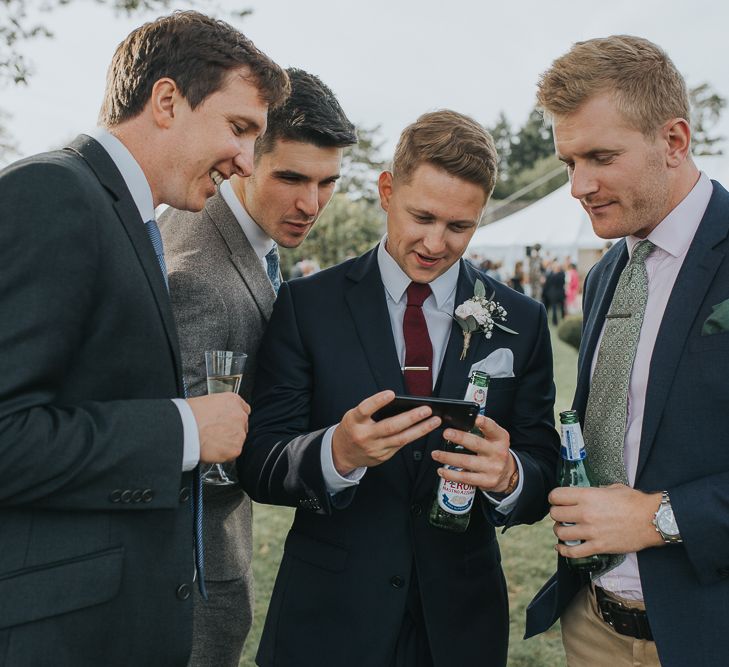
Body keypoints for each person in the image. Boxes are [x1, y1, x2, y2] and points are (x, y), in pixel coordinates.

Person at [0, 11, 288, 666]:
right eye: (239, 128)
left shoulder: (128, 216)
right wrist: (184, 431)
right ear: (166, 100)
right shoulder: (54, 192)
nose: (247, 160)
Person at [239, 110, 560, 667]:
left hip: (460, 625)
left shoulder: (523, 320)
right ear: (387, 191)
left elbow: (542, 461)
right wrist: (336, 453)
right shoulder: (305, 307)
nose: (436, 243)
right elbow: (259, 460)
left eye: (460, 226)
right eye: (422, 216)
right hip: (329, 619)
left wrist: (510, 475)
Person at [525, 35, 729, 667]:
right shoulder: (613, 268)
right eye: (568, 162)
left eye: (600, 157)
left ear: (673, 142)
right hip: (593, 626)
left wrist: (663, 519)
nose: (578, 185)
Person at [159, 67, 356, 667]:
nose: (311, 203)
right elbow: (187, 463)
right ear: (245, 158)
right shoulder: (197, 273)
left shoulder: (245, 242)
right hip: (191, 581)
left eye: (327, 183)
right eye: (291, 177)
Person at [543, 259, 566, 325]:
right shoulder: (560, 274)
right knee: (555, 308)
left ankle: (559, 320)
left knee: (560, 307)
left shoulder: (554, 275)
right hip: (556, 293)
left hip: (556, 293)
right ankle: (555, 321)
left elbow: (547, 284)